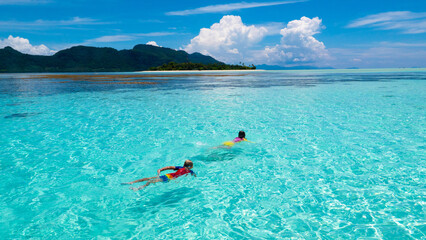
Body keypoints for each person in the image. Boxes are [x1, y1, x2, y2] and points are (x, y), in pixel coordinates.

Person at [121, 160, 196, 191]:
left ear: (184, 164)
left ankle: (133, 183)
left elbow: (169, 167)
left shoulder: (182, 168)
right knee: (150, 180)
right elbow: (193, 174)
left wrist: (160, 169)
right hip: (169, 177)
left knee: (149, 179)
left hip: (168, 176)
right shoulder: (190, 171)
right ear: (190, 167)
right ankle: (138, 188)